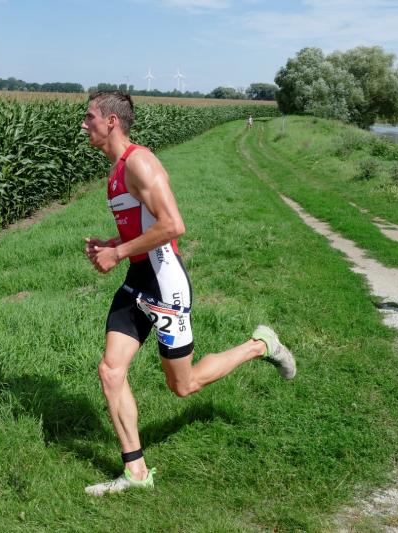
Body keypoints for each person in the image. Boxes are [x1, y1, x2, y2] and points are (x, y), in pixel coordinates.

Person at [80, 91, 296, 496]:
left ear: (111, 121)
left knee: (184, 386)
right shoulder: (116, 170)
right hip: (138, 279)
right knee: (111, 371)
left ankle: (260, 345)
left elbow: (173, 225)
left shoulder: (140, 162)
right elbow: (144, 227)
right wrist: (113, 243)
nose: (83, 124)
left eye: (89, 117)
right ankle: (136, 473)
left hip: (165, 284)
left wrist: (118, 253)